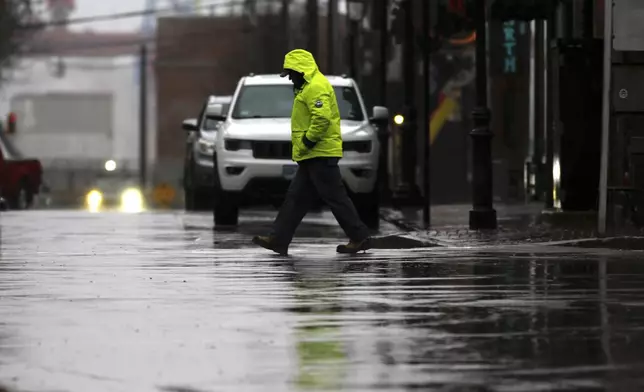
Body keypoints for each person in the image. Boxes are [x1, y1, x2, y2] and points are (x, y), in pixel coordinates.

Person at [252, 49, 372, 256]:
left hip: (319, 153)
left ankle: (359, 236)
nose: (290, 78)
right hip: (313, 154)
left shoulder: (315, 87)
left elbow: (322, 118)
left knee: (334, 197)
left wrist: (307, 140)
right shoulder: (308, 86)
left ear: (301, 70)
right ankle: (278, 239)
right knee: (295, 199)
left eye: (291, 73)